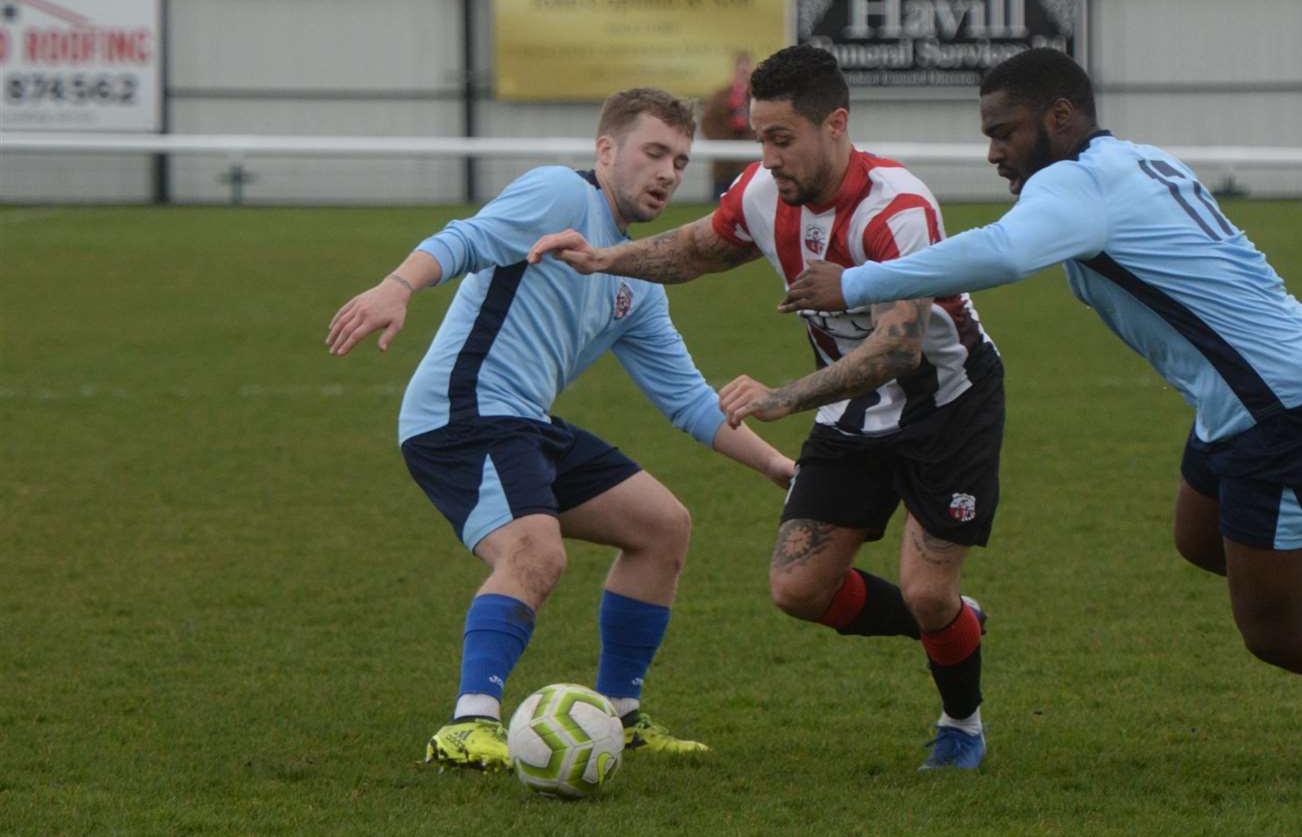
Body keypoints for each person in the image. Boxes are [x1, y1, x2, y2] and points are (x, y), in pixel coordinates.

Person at [779, 47, 1302, 778]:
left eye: (1005, 132)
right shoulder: (1131, 161)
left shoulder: (1076, 184)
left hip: (1281, 408)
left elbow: (1001, 255)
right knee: (1201, 538)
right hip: (1253, 394)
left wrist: (858, 282)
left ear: (1060, 118)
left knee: (1277, 632)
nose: (995, 152)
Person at [529, 45, 1005, 771]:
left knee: (927, 592)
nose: (768, 156)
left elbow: (899, 351)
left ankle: (960, 723)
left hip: (948, 408)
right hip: (851, 410)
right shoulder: (762, 193)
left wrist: (781, 398)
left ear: (835, 125)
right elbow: (694, 252)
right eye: (760, 138)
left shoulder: (896, 211)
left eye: (782, 138)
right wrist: (603, 258)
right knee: (797, 588)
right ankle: (952, 626)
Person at [326, 87, 796, 772]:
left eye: (681, 160)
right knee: (535, 552)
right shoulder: (558, 195)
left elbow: (689, 400)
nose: (668, 172)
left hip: (526, 423)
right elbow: (466, 238)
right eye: (654, 152)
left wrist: (780, 467)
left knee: (662, 526)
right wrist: (398, 285)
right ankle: (468, 724)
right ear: (606, 151)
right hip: (462, 415)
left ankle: (621, 715)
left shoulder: (635, 279)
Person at [701, 51, 755, 199]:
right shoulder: (721, 95)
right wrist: (721, 142)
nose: (743, 72)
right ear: (735, 69)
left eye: (746, 69)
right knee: (717, 209)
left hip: (748, 165)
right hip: (723, 167)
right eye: (740, 69)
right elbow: (707, 123)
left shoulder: (758, 96)